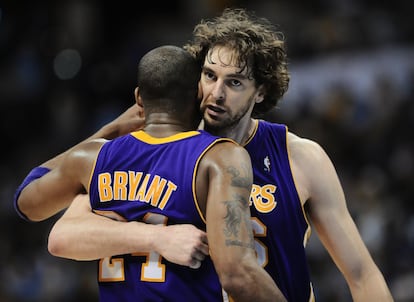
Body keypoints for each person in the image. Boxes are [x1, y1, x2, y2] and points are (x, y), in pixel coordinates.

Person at [15, 7, 393, 302]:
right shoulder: (160, 149)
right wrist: (155, 239)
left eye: (234, 82)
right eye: (209, 75)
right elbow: (63, 232)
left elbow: (361, 273)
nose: (216, 93)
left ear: (260, 92)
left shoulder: (300, 157)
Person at [14, 44, 286, 302]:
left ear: (138, 98)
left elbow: (27, 202)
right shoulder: (217, 157)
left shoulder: (93, 159)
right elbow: (237, 274)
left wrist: (108, 130)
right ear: (198, 95)